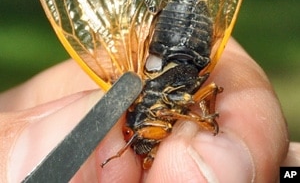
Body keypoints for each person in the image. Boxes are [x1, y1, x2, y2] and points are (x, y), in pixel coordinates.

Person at [0, 38, 298, 182]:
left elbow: (179, 111)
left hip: (185, 60)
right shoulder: (142, 135)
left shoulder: (157, 118)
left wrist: (200, 117)